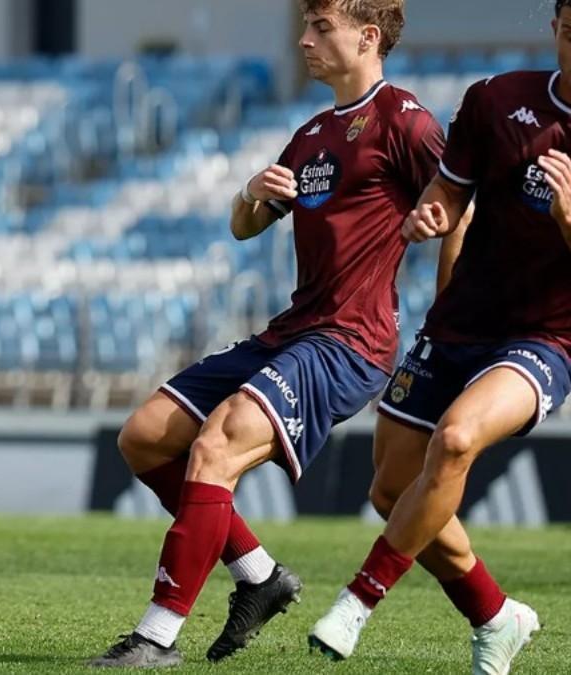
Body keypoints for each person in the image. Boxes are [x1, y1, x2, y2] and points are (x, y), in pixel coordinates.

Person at [88, 0, 461, 667]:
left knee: (216, 446)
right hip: (292, 330)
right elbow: (244, 225)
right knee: (144, 436)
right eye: (307, 26)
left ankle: (156, 636)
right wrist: (250, 193)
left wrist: (448, 304)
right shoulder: (314, 132)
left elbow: (459, 205)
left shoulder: (406, 120)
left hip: (349, 342)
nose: (304, 39)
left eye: (321, 28)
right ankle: (259, 576)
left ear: (367, 37)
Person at [308, 3, 571, 671]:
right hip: (461, 319)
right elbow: (451, 192)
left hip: (546, 338)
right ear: (554, 29)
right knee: (392, 489)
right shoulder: (497, 98)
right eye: (570, 25)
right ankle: (495, 615)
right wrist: (434, 211)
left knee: (455, 438)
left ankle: (356, 601)